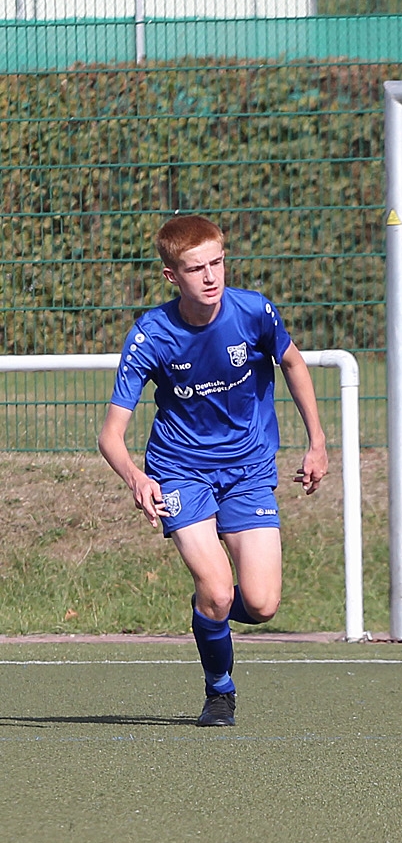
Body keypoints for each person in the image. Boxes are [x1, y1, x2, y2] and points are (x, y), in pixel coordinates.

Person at [98, 215, 328, 727]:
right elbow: (110, 435)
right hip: (180, 471)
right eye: (195, 268)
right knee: (221, 589)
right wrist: (138, 478)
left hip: (248, 470)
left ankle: (208, 610)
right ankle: (219, 690)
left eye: (217, 263)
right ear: (171, 276)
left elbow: (293, 363)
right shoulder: (151, 335)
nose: (210, 277)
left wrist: (317, 442)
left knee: (262, 605)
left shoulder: (254, 312)